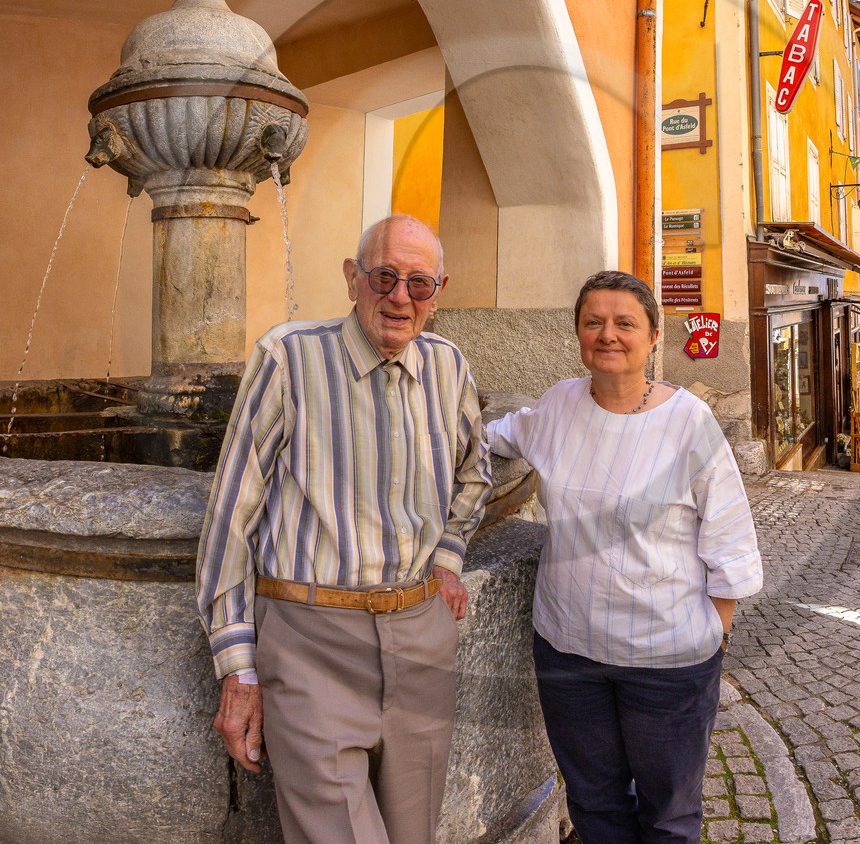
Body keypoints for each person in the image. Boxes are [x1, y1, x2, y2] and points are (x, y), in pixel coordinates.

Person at [195, 214, 491, 844]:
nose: (400, 297)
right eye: (384, 277)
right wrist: (238, 669)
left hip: (420, 637)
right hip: (311, 639)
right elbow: (231, 517)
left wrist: (447, 555)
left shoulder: (448, 366)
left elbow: (477, 473)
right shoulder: (289, 358)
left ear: (438, 292)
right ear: (353, 278)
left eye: (419, 283)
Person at [487, 271, 762, 844]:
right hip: (569, 652)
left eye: (624, 323)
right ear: (578, 333)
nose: (607, 334)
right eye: (593, 322)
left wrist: (716, 632)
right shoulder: (559, 404)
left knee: (668, 816)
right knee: (594, 804)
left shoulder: (688, 421)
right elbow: (495, 435)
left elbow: (729, 534)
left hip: (666, 661)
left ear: (654, 336)